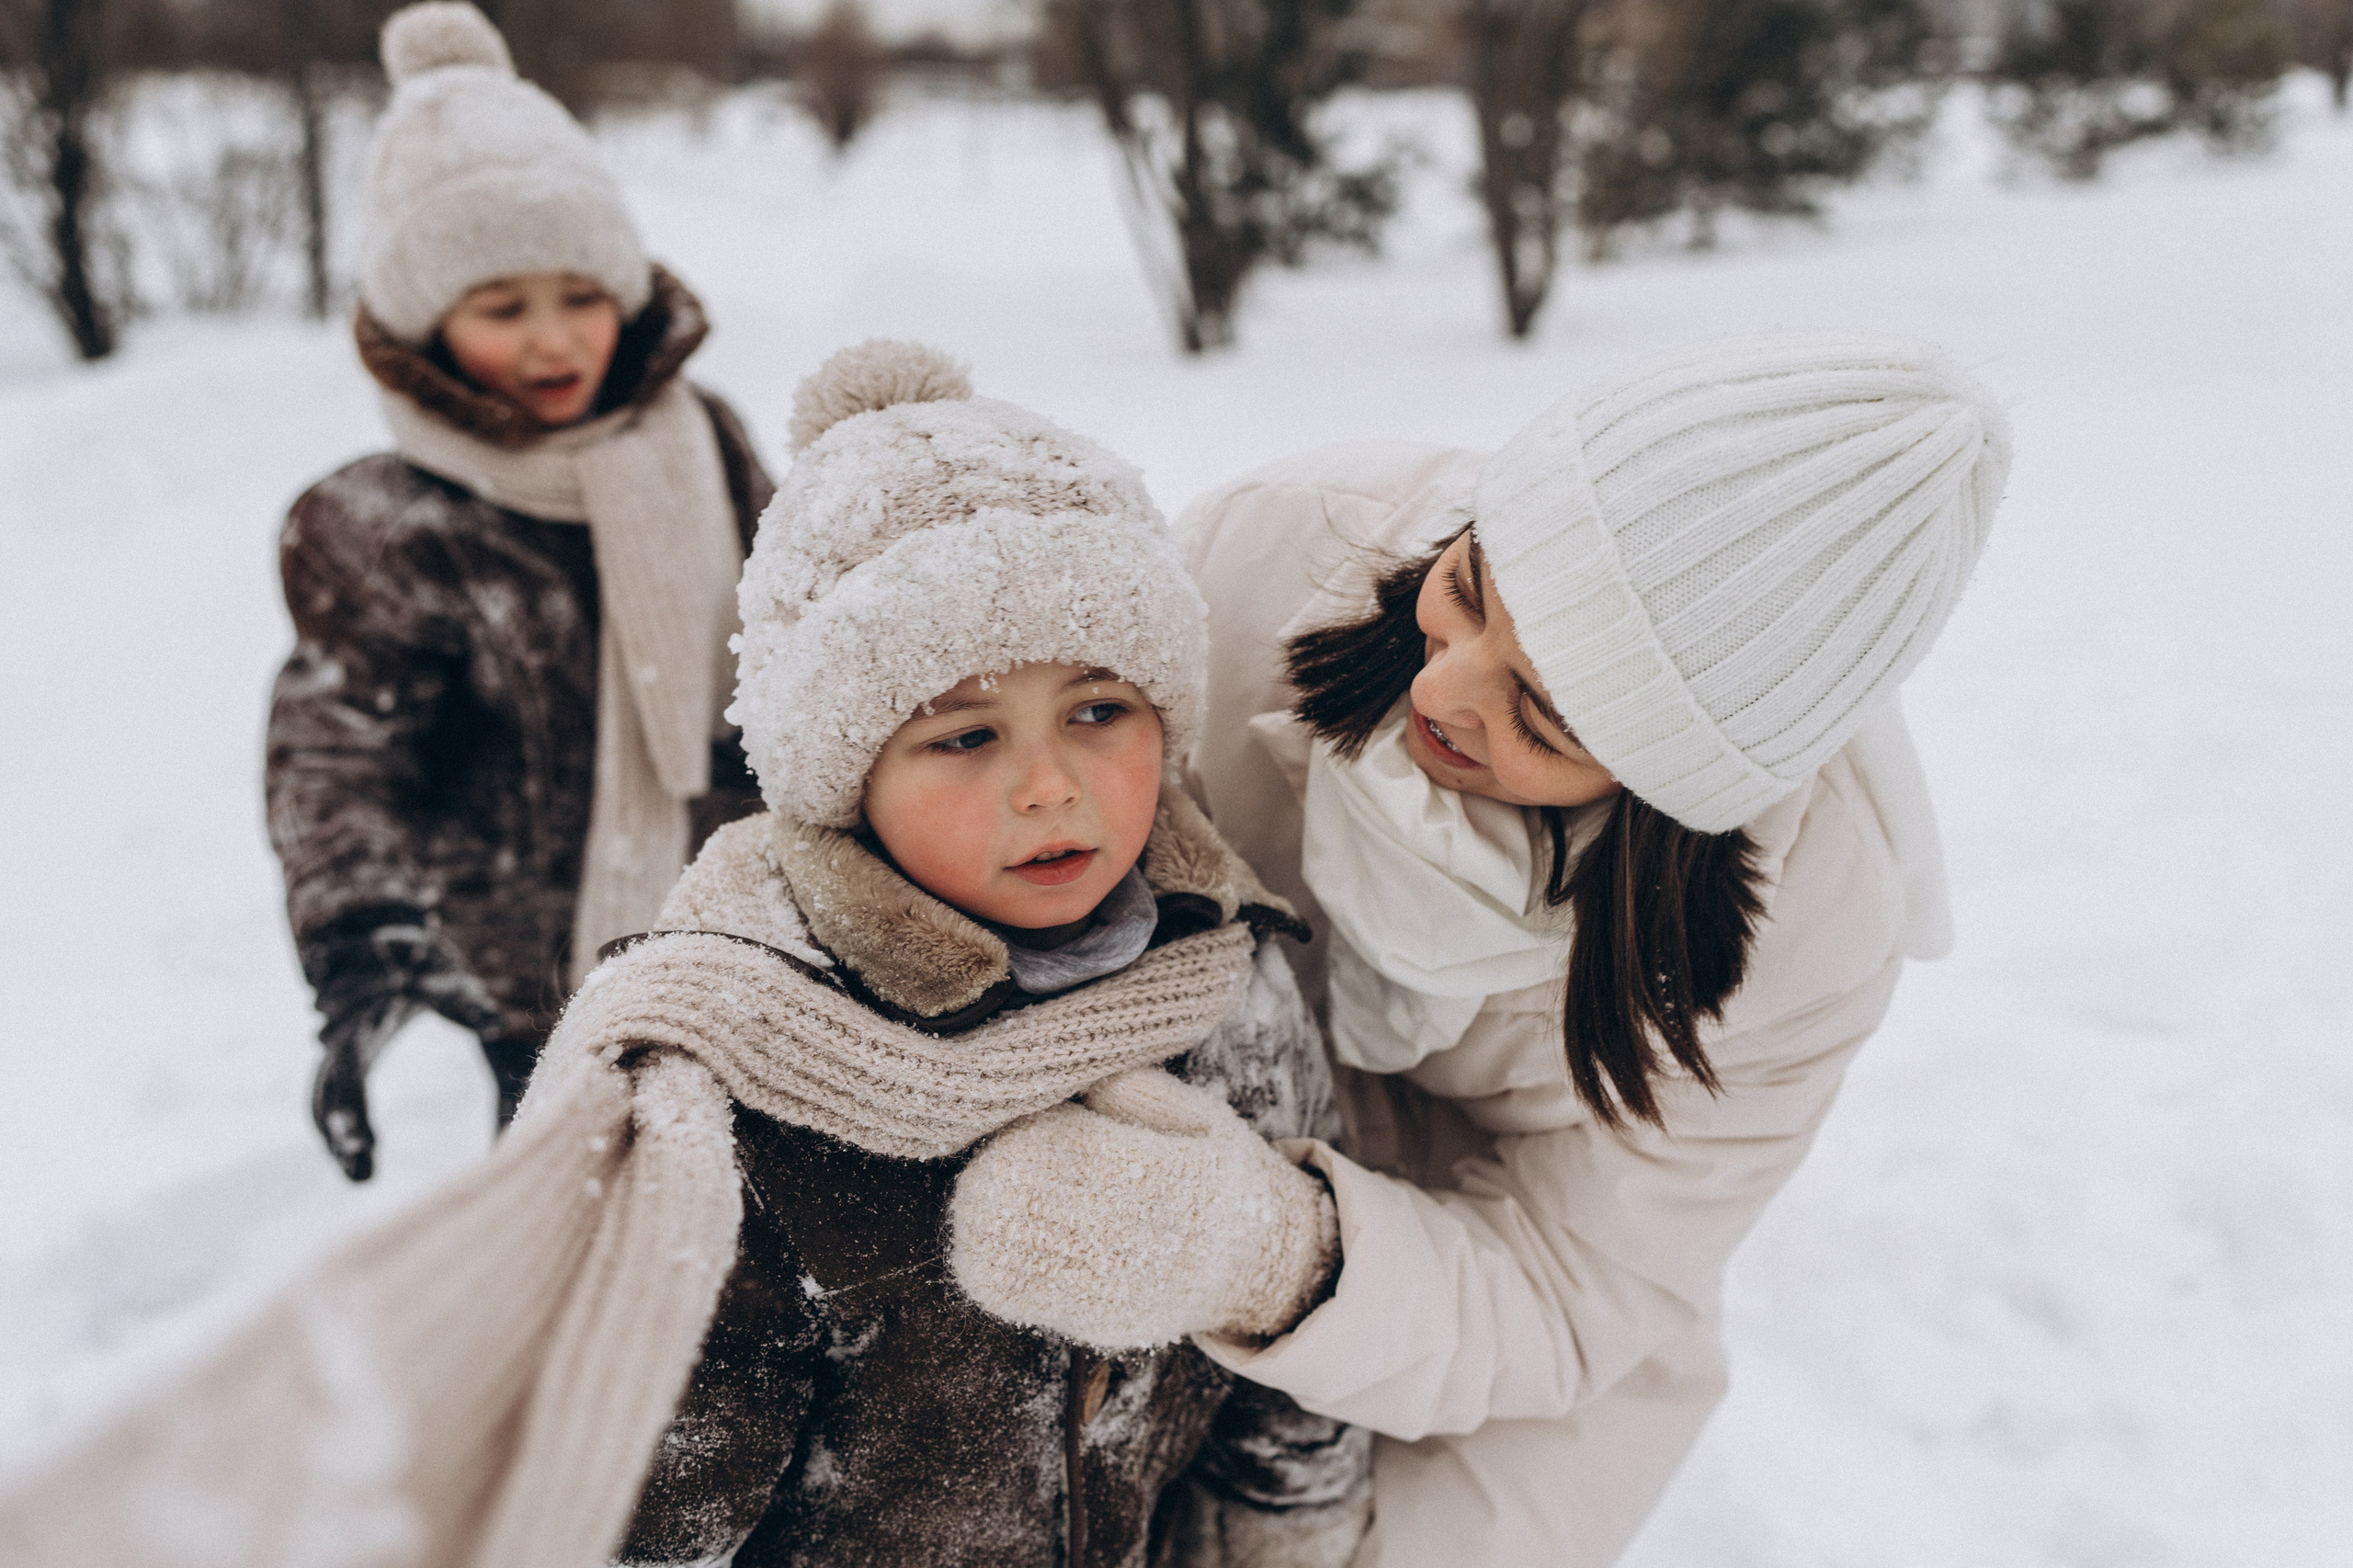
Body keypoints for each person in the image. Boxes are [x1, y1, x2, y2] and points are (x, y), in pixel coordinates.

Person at [0, 344, 1371, 1568]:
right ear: (842, 775)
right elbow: (646, 1509)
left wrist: (1284, 1539)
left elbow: (1283, 1353)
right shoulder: (747, 1077)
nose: (1052, 787)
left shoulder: (1233, 980)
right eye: (964, 736)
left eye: (1099, 710)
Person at [947, 331, 2013, 1565]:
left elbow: (1575, 1278)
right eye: (1467, 589)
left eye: (1545, 710)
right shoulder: (1274, 550)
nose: (1445, 691)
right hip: (1117, 1153)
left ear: (1672, 784)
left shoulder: (1812, 920)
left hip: (1496, 1336)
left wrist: (1273, 1254)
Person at [264, 2, 771, 1180]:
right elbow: (335, 749)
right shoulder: (383, 523)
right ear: (424, 328)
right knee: (575, 1223)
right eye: (502, 308)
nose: (555, 340)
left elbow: (798, 637)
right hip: (529, 974)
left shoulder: (707, 443)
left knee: (757, 1242)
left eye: (581, 294)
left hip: (739, 933)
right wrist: (362, 950)